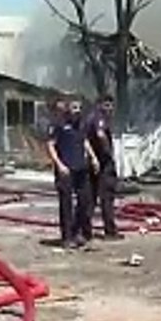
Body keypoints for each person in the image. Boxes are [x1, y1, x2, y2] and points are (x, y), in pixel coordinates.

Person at [47, 96, 98, 249]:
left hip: (81, 168)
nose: (78, 111)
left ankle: (77, 232)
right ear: (68, 108)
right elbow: (50, 145)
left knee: (85, 201)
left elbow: (85, 141)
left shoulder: (81, 124)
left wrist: (93, 157)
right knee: (66, 204)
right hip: (65, 170)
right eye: (75, 107)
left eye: (80, 108)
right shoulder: (58, 124)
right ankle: (67, 237)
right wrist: (60, 165)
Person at [85, 94, 123, 240]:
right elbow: (100, 134)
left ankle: (85, 230)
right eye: (107, 105)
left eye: (111, 105)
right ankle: (110, 231)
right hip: (103, 163)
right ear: (99, 105)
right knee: (106, 197)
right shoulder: (99, 118)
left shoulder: (89, 118)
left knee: (91, 197)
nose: (110, 109)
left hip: (93, 163)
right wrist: (107, 153)